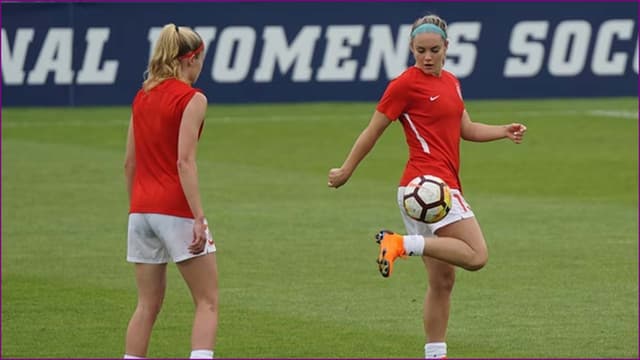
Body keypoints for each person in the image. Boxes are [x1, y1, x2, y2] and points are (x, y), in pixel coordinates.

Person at [327, 14, 527, 359]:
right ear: (411, 48)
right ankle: (401, 243)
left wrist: (502, 131)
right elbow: (373, 130)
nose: (427, 57)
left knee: (442, 282)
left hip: (426, 193)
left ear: (447, 47)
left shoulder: (451, 82)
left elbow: (466, 129)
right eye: (420, 50)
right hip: (430, 188)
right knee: (477, 256)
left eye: (434, 49)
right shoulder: (404, 85)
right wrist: (346, 169)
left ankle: (435, 354)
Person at [123, 23, 218, 359]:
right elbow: (184, 162)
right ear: (190, 59)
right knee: (207, 302)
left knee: (146, 306)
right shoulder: (193, 99)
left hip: (141, 211)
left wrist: (136, 208)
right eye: (201, 59)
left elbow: (129, 165)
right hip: (174, 209)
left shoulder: (142, 96)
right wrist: (198, 218)